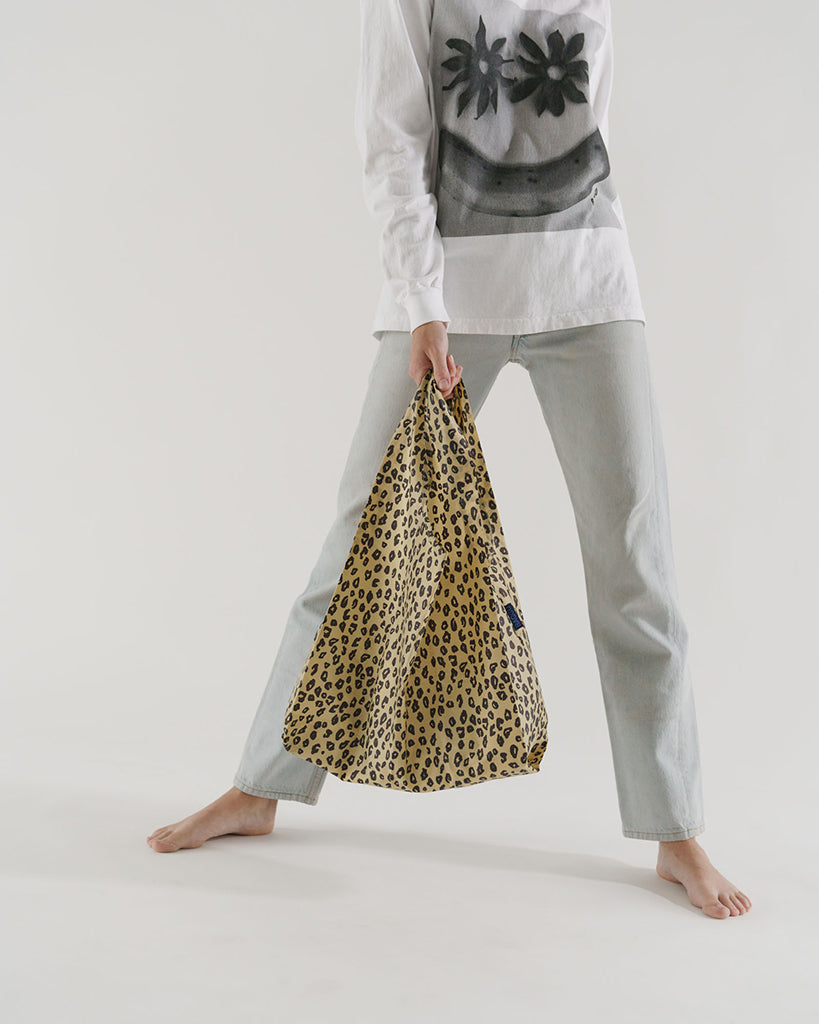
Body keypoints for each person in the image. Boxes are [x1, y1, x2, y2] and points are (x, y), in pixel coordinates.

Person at [146, 0, 751, 920]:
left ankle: (676, 831)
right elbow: (391, 133)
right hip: (447, 293)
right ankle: (260, 785)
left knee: (636, 563)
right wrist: (422, 301)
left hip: (589, 285)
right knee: (361, 545)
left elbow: (584, 116)